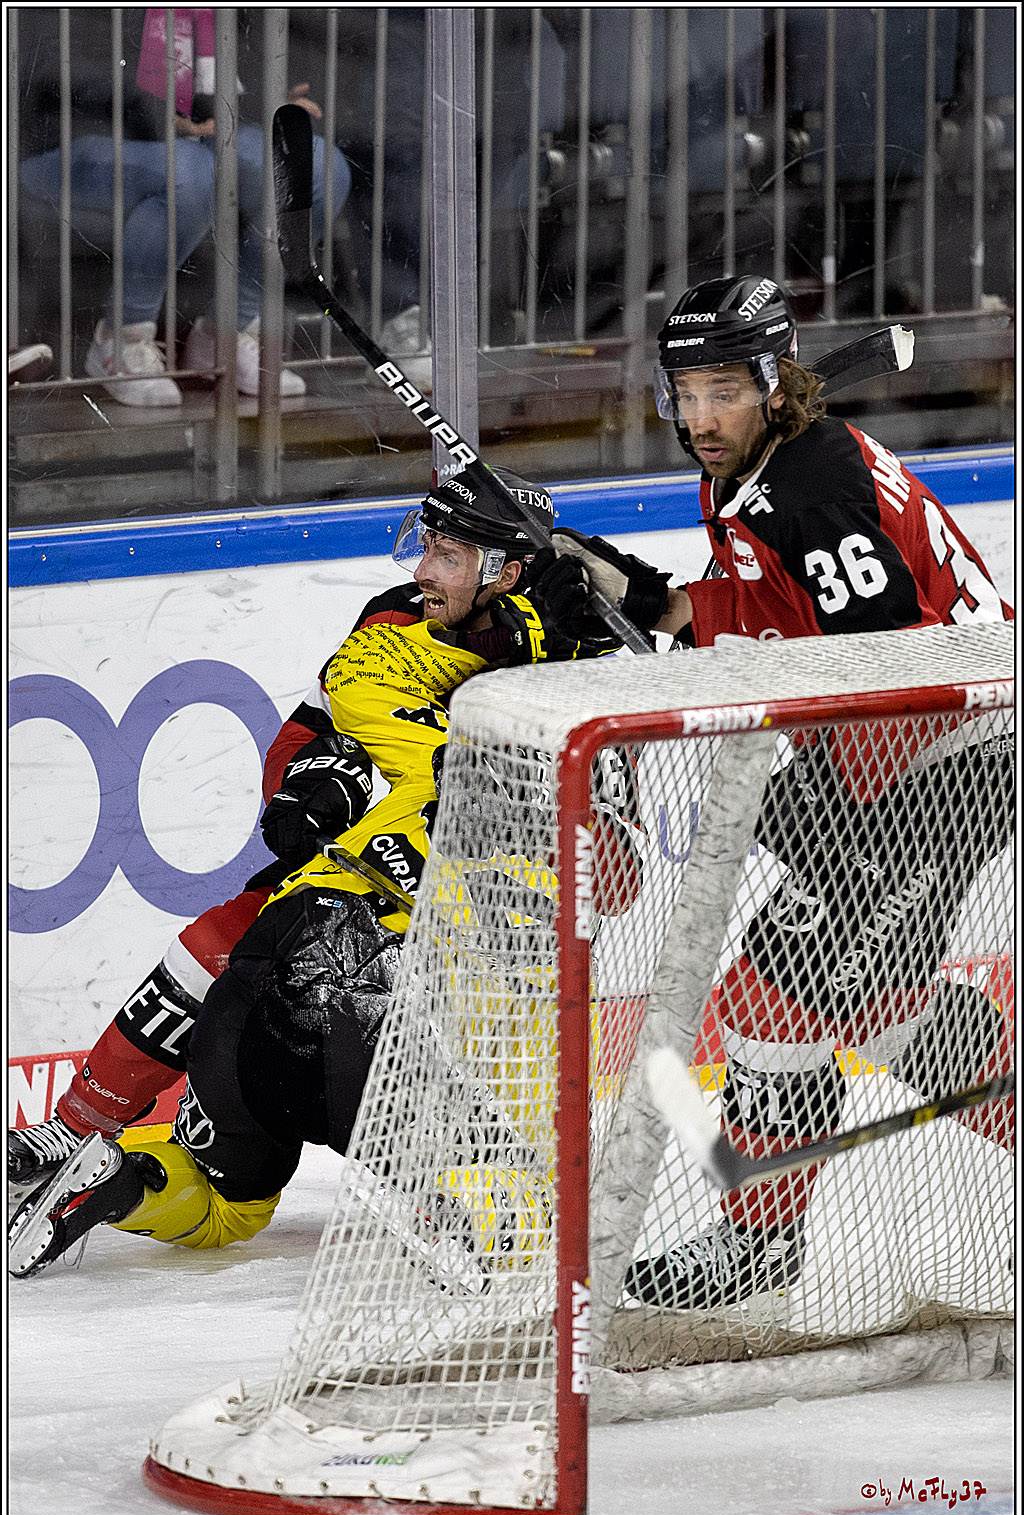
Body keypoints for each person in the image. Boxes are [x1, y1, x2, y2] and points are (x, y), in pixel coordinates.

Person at [9, 466, 637, 1277]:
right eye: (428, 547)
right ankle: (77, 1126)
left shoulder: (583, 664)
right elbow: (301, 742)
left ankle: (141, 1172)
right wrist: (318, 784)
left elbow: (615, 869)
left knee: (246, 1155)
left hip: (463, 937)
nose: (421, 571)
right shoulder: (392, 622)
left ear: (508, 573)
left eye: (448, 555)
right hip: (373, 908)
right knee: (229, 929)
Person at [535, 274, 1015, 1310]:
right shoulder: (758, 471)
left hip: (945, 755)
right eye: (683, 392)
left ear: (767, 381)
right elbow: (773, 610)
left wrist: (835, 806)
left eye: (721, 390)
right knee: (882, 1010)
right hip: (900, 752)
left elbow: (878, 660)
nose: (699, 417)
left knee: (768, 1000)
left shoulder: (811, 484)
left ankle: (755, 1247)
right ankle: (757, 1245)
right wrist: (645, 597)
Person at [18, 8, 351, 406]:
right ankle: (121, 341)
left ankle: (227, 332)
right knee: (190, 172)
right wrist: (172, 120)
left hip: (192, 146)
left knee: (319, 167)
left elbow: (219, 103)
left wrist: (267, 108)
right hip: (62, 143)